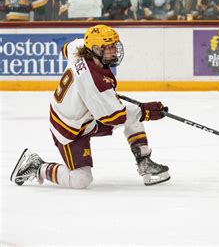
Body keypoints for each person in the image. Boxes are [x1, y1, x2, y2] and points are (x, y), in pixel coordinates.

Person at [11, 25, 170, 189]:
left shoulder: (80, 47)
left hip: (86, 118)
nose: (115, 51)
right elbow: (114, 116)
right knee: (81, 180)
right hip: (68, 128)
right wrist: (146, 111)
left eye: (115, 45)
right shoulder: (94, 81)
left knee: (133, 116)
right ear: (95, 49)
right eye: (109, 48)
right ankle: (37, 166)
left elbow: (65, 48)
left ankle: (144, 162)